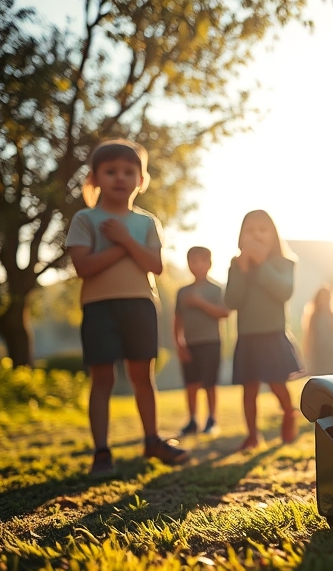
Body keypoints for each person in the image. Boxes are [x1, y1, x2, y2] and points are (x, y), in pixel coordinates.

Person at [65, 139, 189, 477]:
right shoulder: (85, 219)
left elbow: (156, 266)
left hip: (140, 306)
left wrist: (124, 239)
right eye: (111, 171)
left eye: (128, 171)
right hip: (99, 308)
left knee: (142, 377)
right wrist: (123, 246)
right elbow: (84, 268)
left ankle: (152, 440)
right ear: (94, 178)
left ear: (141, 180)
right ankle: (102, 452)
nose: (120, 177)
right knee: (102, 378)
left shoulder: (147, 223)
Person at [224, 210, 304, 451]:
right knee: (249, 388)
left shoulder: (284, 263)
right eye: (250, 230)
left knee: (277, 383)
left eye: (263, 229)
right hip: (248, 336)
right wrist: (245, 268)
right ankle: (252, 435)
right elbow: (232, 300)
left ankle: (289, 413)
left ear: (274, 235)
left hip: (272, 334)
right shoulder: (236, 265)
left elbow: (284, 292)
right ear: (241, 236)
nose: (256, 234)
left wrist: (261, 265)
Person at [174, 246, 230, 437]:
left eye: (202, 261)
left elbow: (224, 313)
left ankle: (211, 419)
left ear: (210, 264)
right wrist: (178, 342)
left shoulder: (216, 290)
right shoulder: (182, 292)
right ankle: (192, 420)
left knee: (209, 383)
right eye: (193, 261)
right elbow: (177, 319)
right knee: (191, 383)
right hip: (190, 343)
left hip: (211, 342)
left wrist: (199, 302)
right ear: (188, 264)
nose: (198, 265)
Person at [302, 285, 333, 376]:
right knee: (319, 372)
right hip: (317, 349)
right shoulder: (314, 316)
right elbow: (309, 334)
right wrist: (307, 349)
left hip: (331, 349)